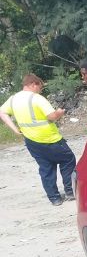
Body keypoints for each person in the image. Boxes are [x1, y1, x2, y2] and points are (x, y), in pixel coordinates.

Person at [0, 74, 77, 206]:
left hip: (31, 141)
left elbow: (2, 112)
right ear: (33, 84)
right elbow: (51, 116)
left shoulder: (13, 99)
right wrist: (59, 113)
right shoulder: (37, 99)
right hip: (51, 139)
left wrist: (14, 129)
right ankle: (70, 192)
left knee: (46, 168)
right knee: (68, 160)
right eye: (40, 87)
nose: (40, 90)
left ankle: (54, 198)